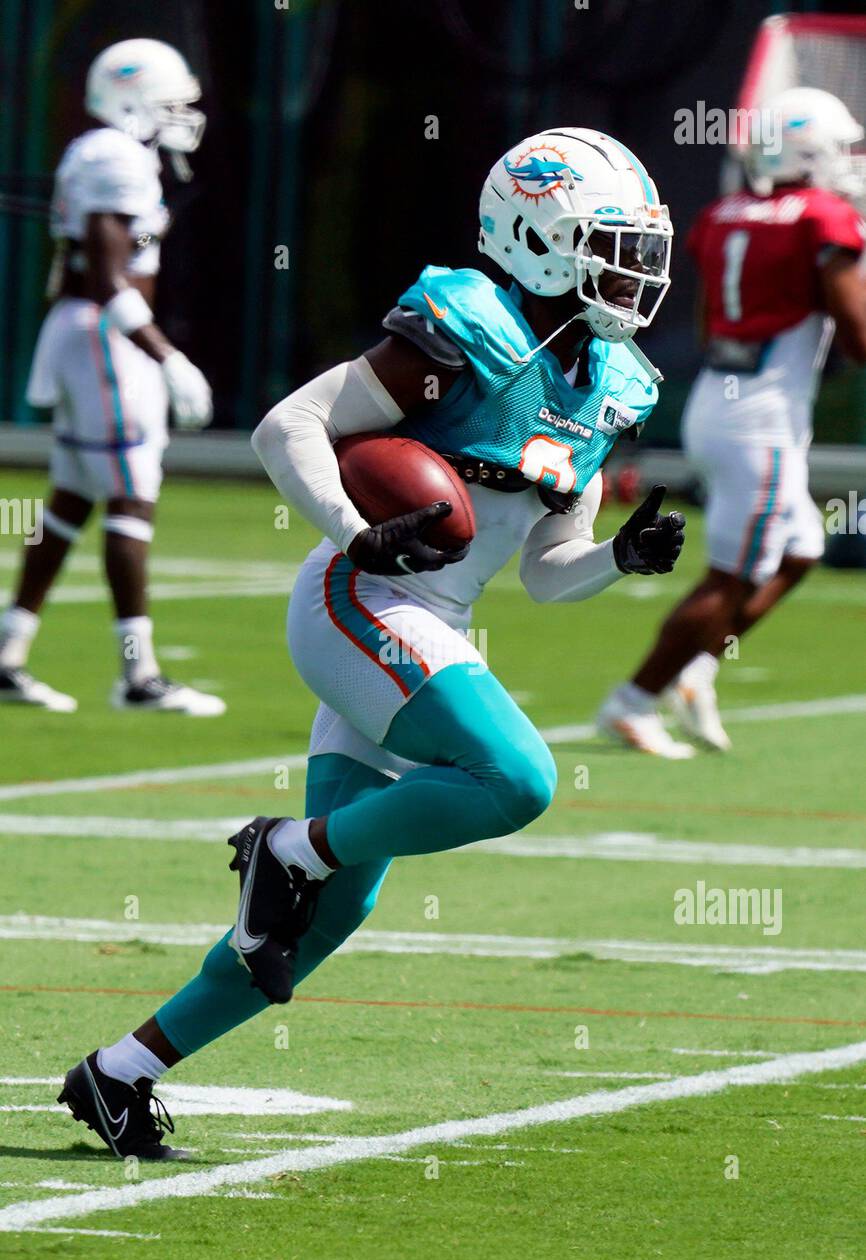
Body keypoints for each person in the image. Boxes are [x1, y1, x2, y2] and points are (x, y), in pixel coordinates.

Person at [58, 127, 685, 1158]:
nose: (632, 271)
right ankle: (283, 846)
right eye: (610, 243)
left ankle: (118, 1072)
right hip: (358, 595)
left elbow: (543, 570)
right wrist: (355, 531)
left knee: (322, 919)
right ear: (537, 234)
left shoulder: (608, 380)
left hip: (427, 625)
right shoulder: (466, 324)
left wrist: (620, 557)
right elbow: (285, 428)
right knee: (519, 778)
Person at [598, 88, 866, 757]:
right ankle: (633, 700)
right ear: (808, 148)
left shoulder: (722, 214)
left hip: (718, 404)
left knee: (800, 547)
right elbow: (858, 336)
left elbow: (713, 318)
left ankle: (699, 665)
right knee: (730, 575)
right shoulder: (822, 217)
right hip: (764, 421)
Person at [0, 38, 224, 715]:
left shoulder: (114, 155)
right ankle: (139, 677)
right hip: (105, 338)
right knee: (131, 496)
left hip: (93, 334)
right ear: (132, 100)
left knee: (72, 497)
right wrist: (166, 356)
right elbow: (105, 278)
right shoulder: (116, 157)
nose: (185, 115)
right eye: (171, 102)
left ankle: (7, 656)